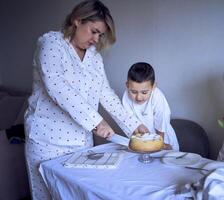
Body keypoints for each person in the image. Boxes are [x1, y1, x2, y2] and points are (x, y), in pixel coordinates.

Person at [24, 1, 148, 199]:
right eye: (93, 31)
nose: (96, 39)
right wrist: (97, 122)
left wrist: (134, 126)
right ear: (77, 21)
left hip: (81, 143)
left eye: (100, 35)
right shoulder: (51, 44)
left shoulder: (94, 58)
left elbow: (106, 94)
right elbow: (58, 87)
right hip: (48, 142)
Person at [122, 62, 179, 150]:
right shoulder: (126, 97)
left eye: (144, 92)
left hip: (163, 138)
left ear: (153, 86)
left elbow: (161, 120)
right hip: (140, 140)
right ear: (127, 85)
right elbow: (128, 119)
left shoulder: (157, 96)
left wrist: (160, 144)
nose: (139, 97)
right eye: (133, 92)